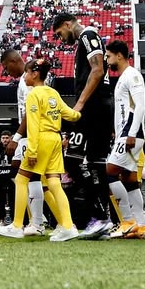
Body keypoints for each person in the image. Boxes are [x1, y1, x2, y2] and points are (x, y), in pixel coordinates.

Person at [0, 58, 81, 241]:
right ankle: (67, 226)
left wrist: (32, 150)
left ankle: (17, 225)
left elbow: (32, 124)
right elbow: (70, 114)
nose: (24, 76)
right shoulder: (53, 93)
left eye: (27, 72)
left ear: (34, 74)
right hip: (55, 139)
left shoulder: (33, 94)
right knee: (54, 183)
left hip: (40, 139)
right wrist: (80, 112)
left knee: (20, 180)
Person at [52, 13, 113, 238]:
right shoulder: (85, 40)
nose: (61, 39)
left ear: (68, 24)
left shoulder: (87, 34)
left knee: (73, 160)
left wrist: (79, 103)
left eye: (60, 33)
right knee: (97, 162)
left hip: (93, 106)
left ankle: (98, 216)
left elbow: (97, 70)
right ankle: (102, 220)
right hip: (100, 105)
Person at [103, 40, 145, 239]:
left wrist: (131, 132)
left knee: (110, 171)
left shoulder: (132, 75)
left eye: (109, 55)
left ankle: (127, 221)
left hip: (131, 134)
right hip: (126, 132)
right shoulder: (123, 77)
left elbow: (140, 106)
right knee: (129, 179)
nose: (107, 59)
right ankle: (141, 225)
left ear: (119, 55)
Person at [0, 47, 46, 234]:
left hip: (30, 134)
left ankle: (31, 222)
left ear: (12, 62)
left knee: (26, 176)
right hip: (35, 133)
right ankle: (40, 220)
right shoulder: (26, 81)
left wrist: (17, 137)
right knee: (33, 176)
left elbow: (30, 112)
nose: (6, 72)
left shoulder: (26, 82)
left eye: (5, 67)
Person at [0, 131, 16, 226]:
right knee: (1, 202)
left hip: (12, 180)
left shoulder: (14, 150)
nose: (5, 140)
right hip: (1, 180)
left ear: (10, 138)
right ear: (0, 139)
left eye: (7, 138)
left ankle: (14, 221)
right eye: (3, 138)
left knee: (13, 201)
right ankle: (1, 220)